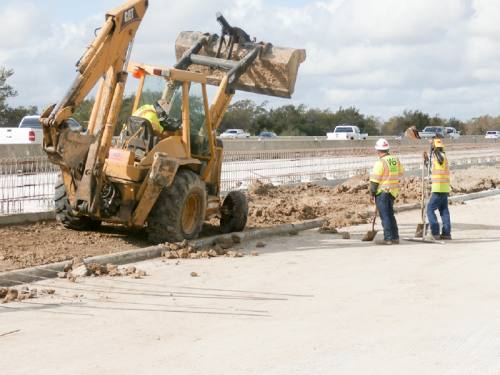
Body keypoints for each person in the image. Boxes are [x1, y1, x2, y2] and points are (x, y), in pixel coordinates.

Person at [369, 138, 405, 245]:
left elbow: (375, 180)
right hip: (392, 192)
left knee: (385, 216)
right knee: (390, 215)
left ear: (378, 150)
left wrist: (372, 194)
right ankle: (395, 237)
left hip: (382, 192)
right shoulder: (395, 160)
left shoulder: (380, 162)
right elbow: (401, 172)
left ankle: (388, 238)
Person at [426, 138, 451, 240]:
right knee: (444, 210)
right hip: (445, 188)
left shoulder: (438, 156)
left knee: (430, 209)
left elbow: (435, 167)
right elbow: (432, 169)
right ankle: (446, 233)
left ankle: (435, 232)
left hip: (438, 188)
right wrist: (427, 160)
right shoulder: (443, 156)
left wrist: (431, 149)